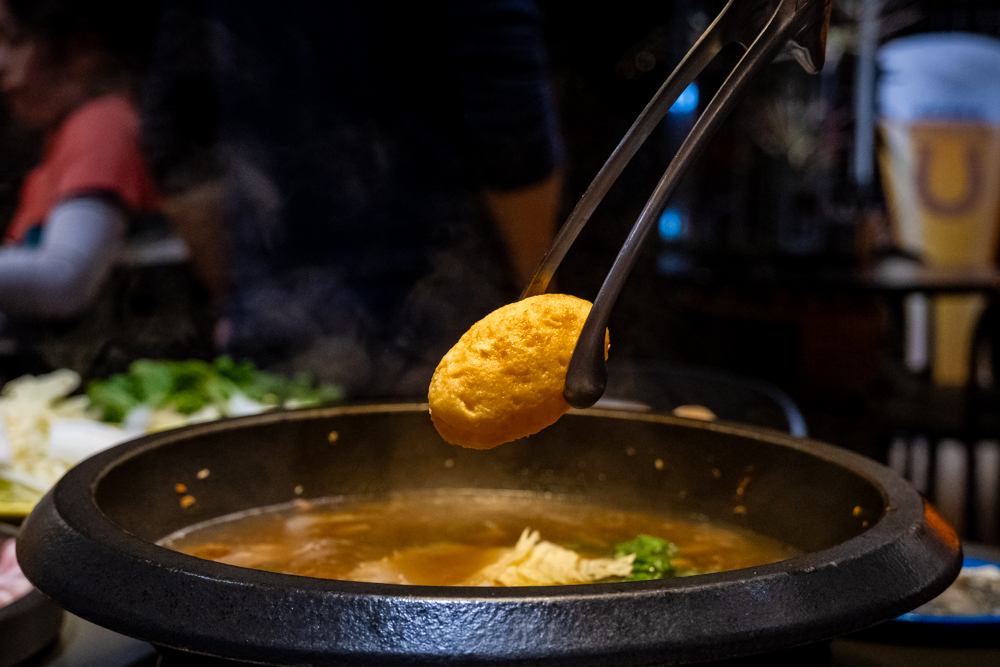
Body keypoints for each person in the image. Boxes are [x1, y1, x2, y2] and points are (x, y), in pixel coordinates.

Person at [145, 0, 564, 398]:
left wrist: (236, 302)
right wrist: (538, 300)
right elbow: (510, 129)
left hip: (273, 325)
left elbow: (177, 130)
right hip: (442, 324)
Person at [0, 0, 159, 338]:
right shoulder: (58, 142)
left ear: (84, 48)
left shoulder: (102, 124)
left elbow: (64, 279)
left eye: (15, 41)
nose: (1, 63)